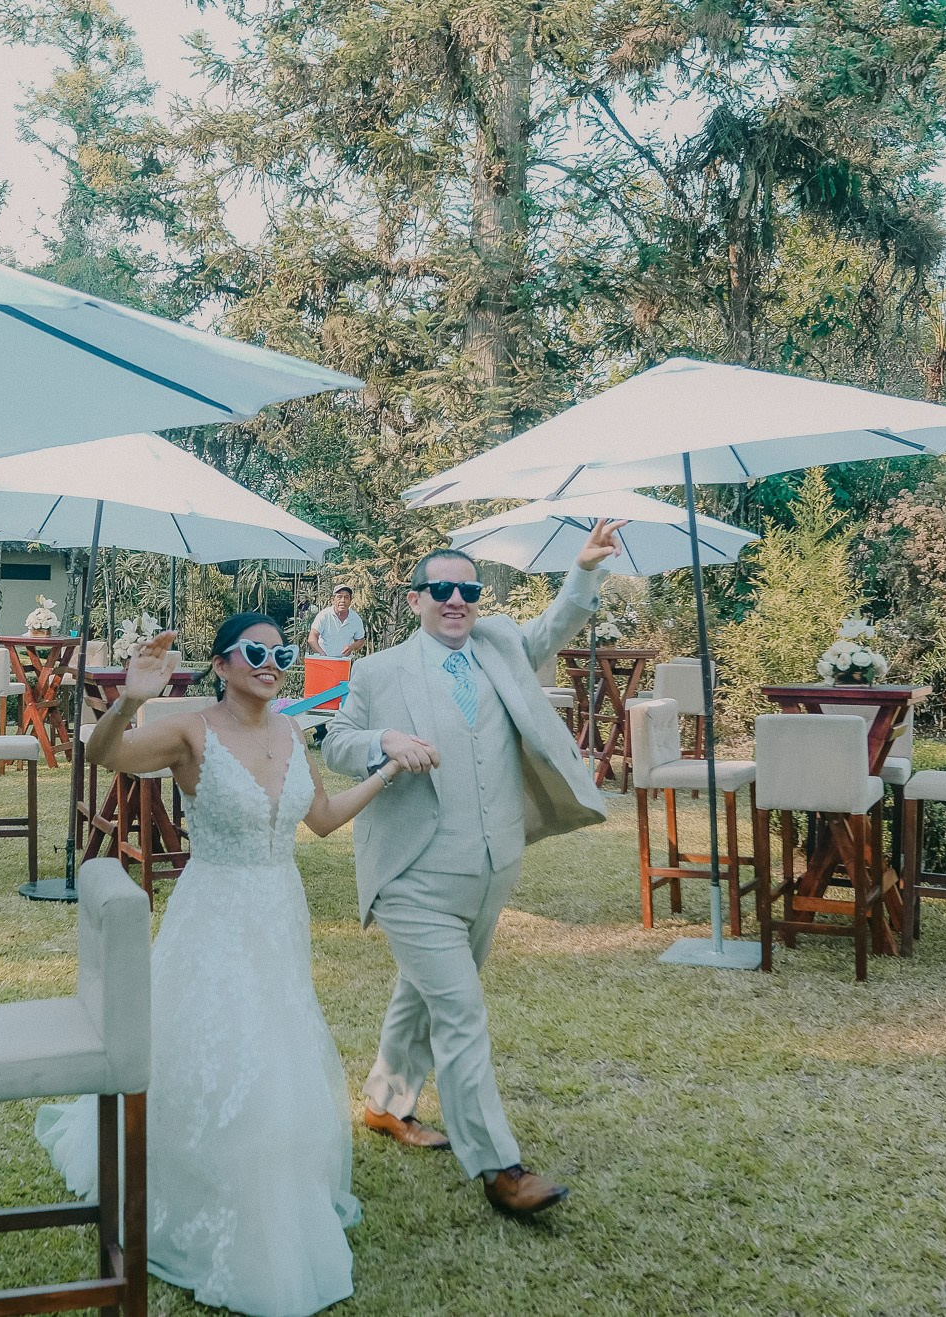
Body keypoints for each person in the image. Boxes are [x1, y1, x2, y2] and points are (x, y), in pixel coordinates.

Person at [35, 613, 421, 1317]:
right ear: (222, 662)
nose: (270, 663)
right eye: (255, 652)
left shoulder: (292, 733)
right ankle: (216, 1189)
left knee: (277, 1048)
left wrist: (389, 769)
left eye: (279, 653)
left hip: (279, 915)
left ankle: (275, 1182)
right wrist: (130, 696)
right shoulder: (191, 731)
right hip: (213, 919)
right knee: (220, 1052)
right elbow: (103, 755)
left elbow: (326, 818)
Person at [320, 521, 625, 1217]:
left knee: (423, 995)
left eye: (468, 590)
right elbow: (335, 743)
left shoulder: (499, 646)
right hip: (411, 874)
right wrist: (383, 739)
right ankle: (500, 1167)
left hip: (492, 867)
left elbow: (554, 625)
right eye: (442, 589)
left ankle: (385, 1103)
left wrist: (584, 569)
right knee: (459, 1009)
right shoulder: (377, 671)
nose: (456, 600)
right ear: (414, 599)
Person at [307, 583, 366, 658]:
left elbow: (360, 640)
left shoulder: (355, 619)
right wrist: (321, 653)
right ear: (333, 600)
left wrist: (352, 647)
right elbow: (312, 637)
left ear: (350, 600)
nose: (343, 600)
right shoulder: (324, 615)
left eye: (346, 597)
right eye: (339, 597)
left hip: (344, 662)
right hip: (324, 661)